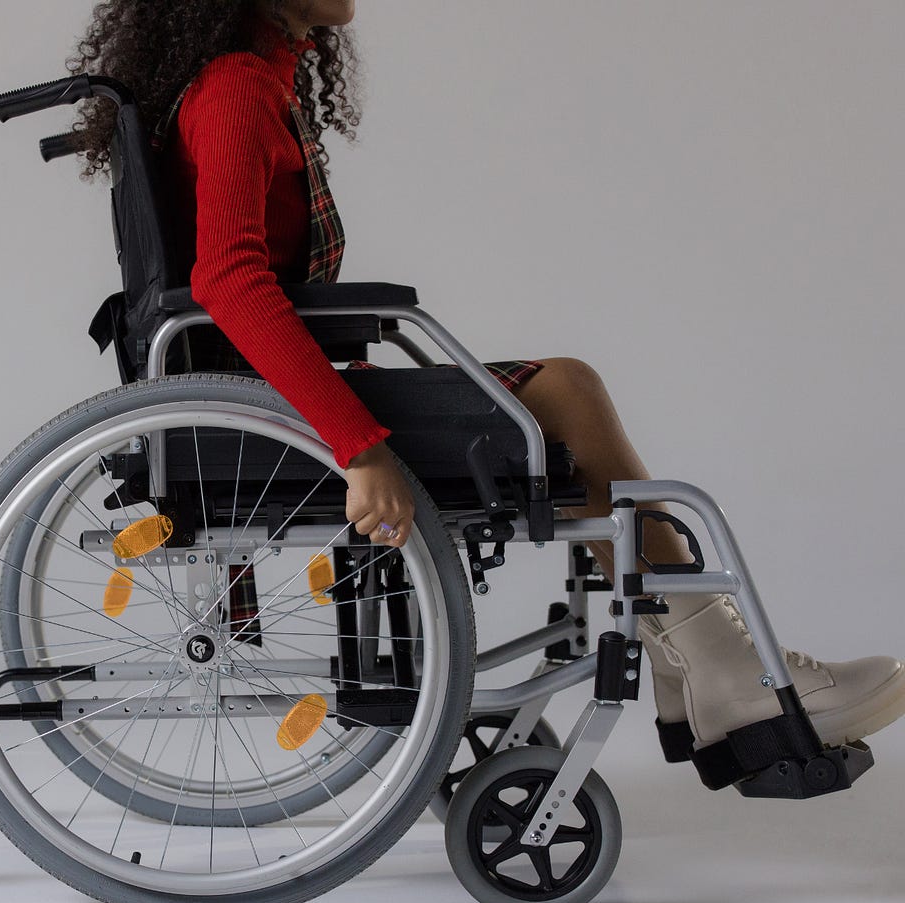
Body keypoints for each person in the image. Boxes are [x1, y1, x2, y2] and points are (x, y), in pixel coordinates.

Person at [65, 0, 905, 782]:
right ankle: (717, 663)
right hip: (267, 416)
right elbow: (230, 281)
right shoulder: (237, 87)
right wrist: (360, 449)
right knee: (565, 391)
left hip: (259, 404)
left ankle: (701, 660)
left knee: (566, 391)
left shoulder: (255, 76)